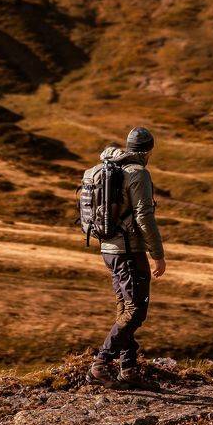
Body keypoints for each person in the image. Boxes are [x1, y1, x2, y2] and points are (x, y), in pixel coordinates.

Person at [87, 126, 166, 387]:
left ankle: (129, 370)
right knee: (135, 311)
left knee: (125, 308)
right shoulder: (138, 173)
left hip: (107, 249)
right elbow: (144, 216)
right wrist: (158, 255)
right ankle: (101, 363)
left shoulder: (101, 169)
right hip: (130, 251)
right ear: (149, 150)